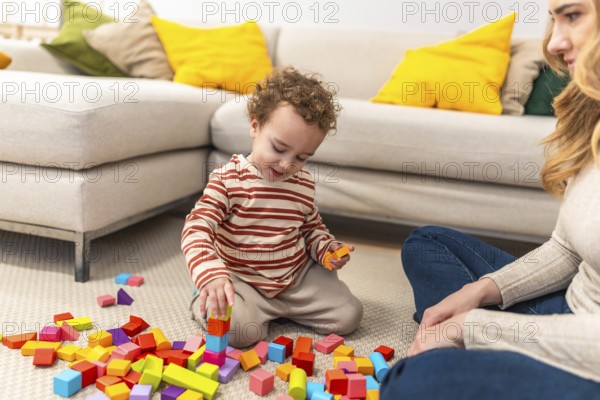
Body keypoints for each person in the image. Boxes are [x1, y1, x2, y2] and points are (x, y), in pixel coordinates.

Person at [381, 0, 600, 398]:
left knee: (411, 382)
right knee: (427, 245)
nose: (553, 42)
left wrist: (474, 327)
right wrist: (478, 292)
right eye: (553, 19)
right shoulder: (594, 115)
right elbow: (568, 249)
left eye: (572, 15)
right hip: (572, 310)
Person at [182, 67, 363, 348]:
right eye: (279, 149)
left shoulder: (302, 183)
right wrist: (210, 271)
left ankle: (283, 309)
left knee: (348, 317)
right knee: (240, 334)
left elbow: (312, 228)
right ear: (255, 127)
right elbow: (196, 228)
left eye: (302, 157)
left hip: (295, 280)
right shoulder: (227, 179)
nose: (287, 164)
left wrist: (327, 250)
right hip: (244, 282)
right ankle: (205, 298)